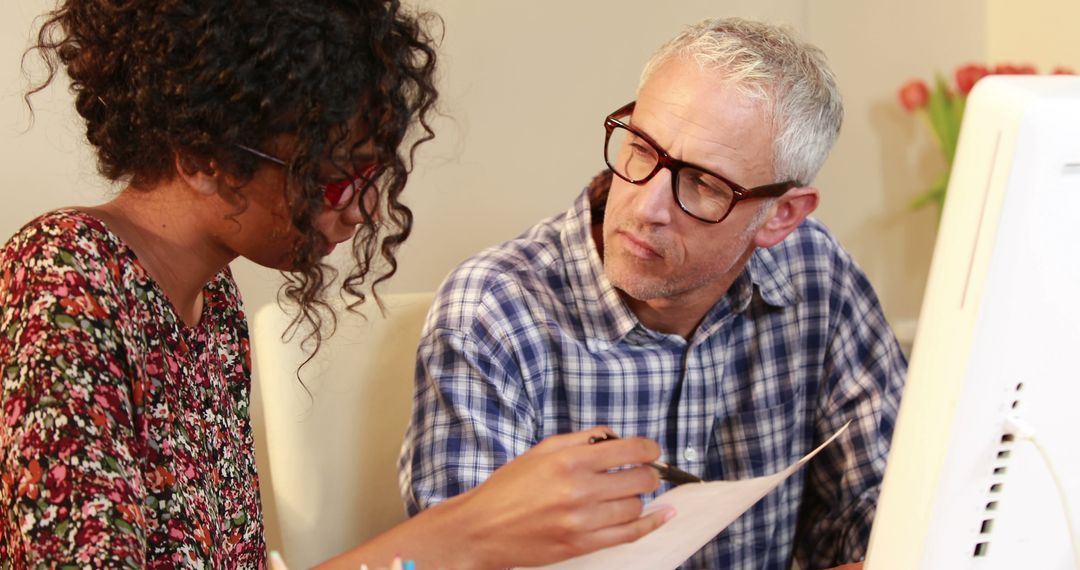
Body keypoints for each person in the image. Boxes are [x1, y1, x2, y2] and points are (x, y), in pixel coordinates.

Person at [0, 1, 672, 568]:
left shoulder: (211, 305)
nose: (364, 210)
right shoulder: (62, 281)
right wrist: (460, 535)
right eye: (337, 178)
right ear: (205, 157)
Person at [399, 16, 907, 570]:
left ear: (781, 216)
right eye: (641, 149)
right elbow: (455, 557)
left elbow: (889, 507)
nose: (646, 207)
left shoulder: (816, 275)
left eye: (704, 183)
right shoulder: (493, 314)